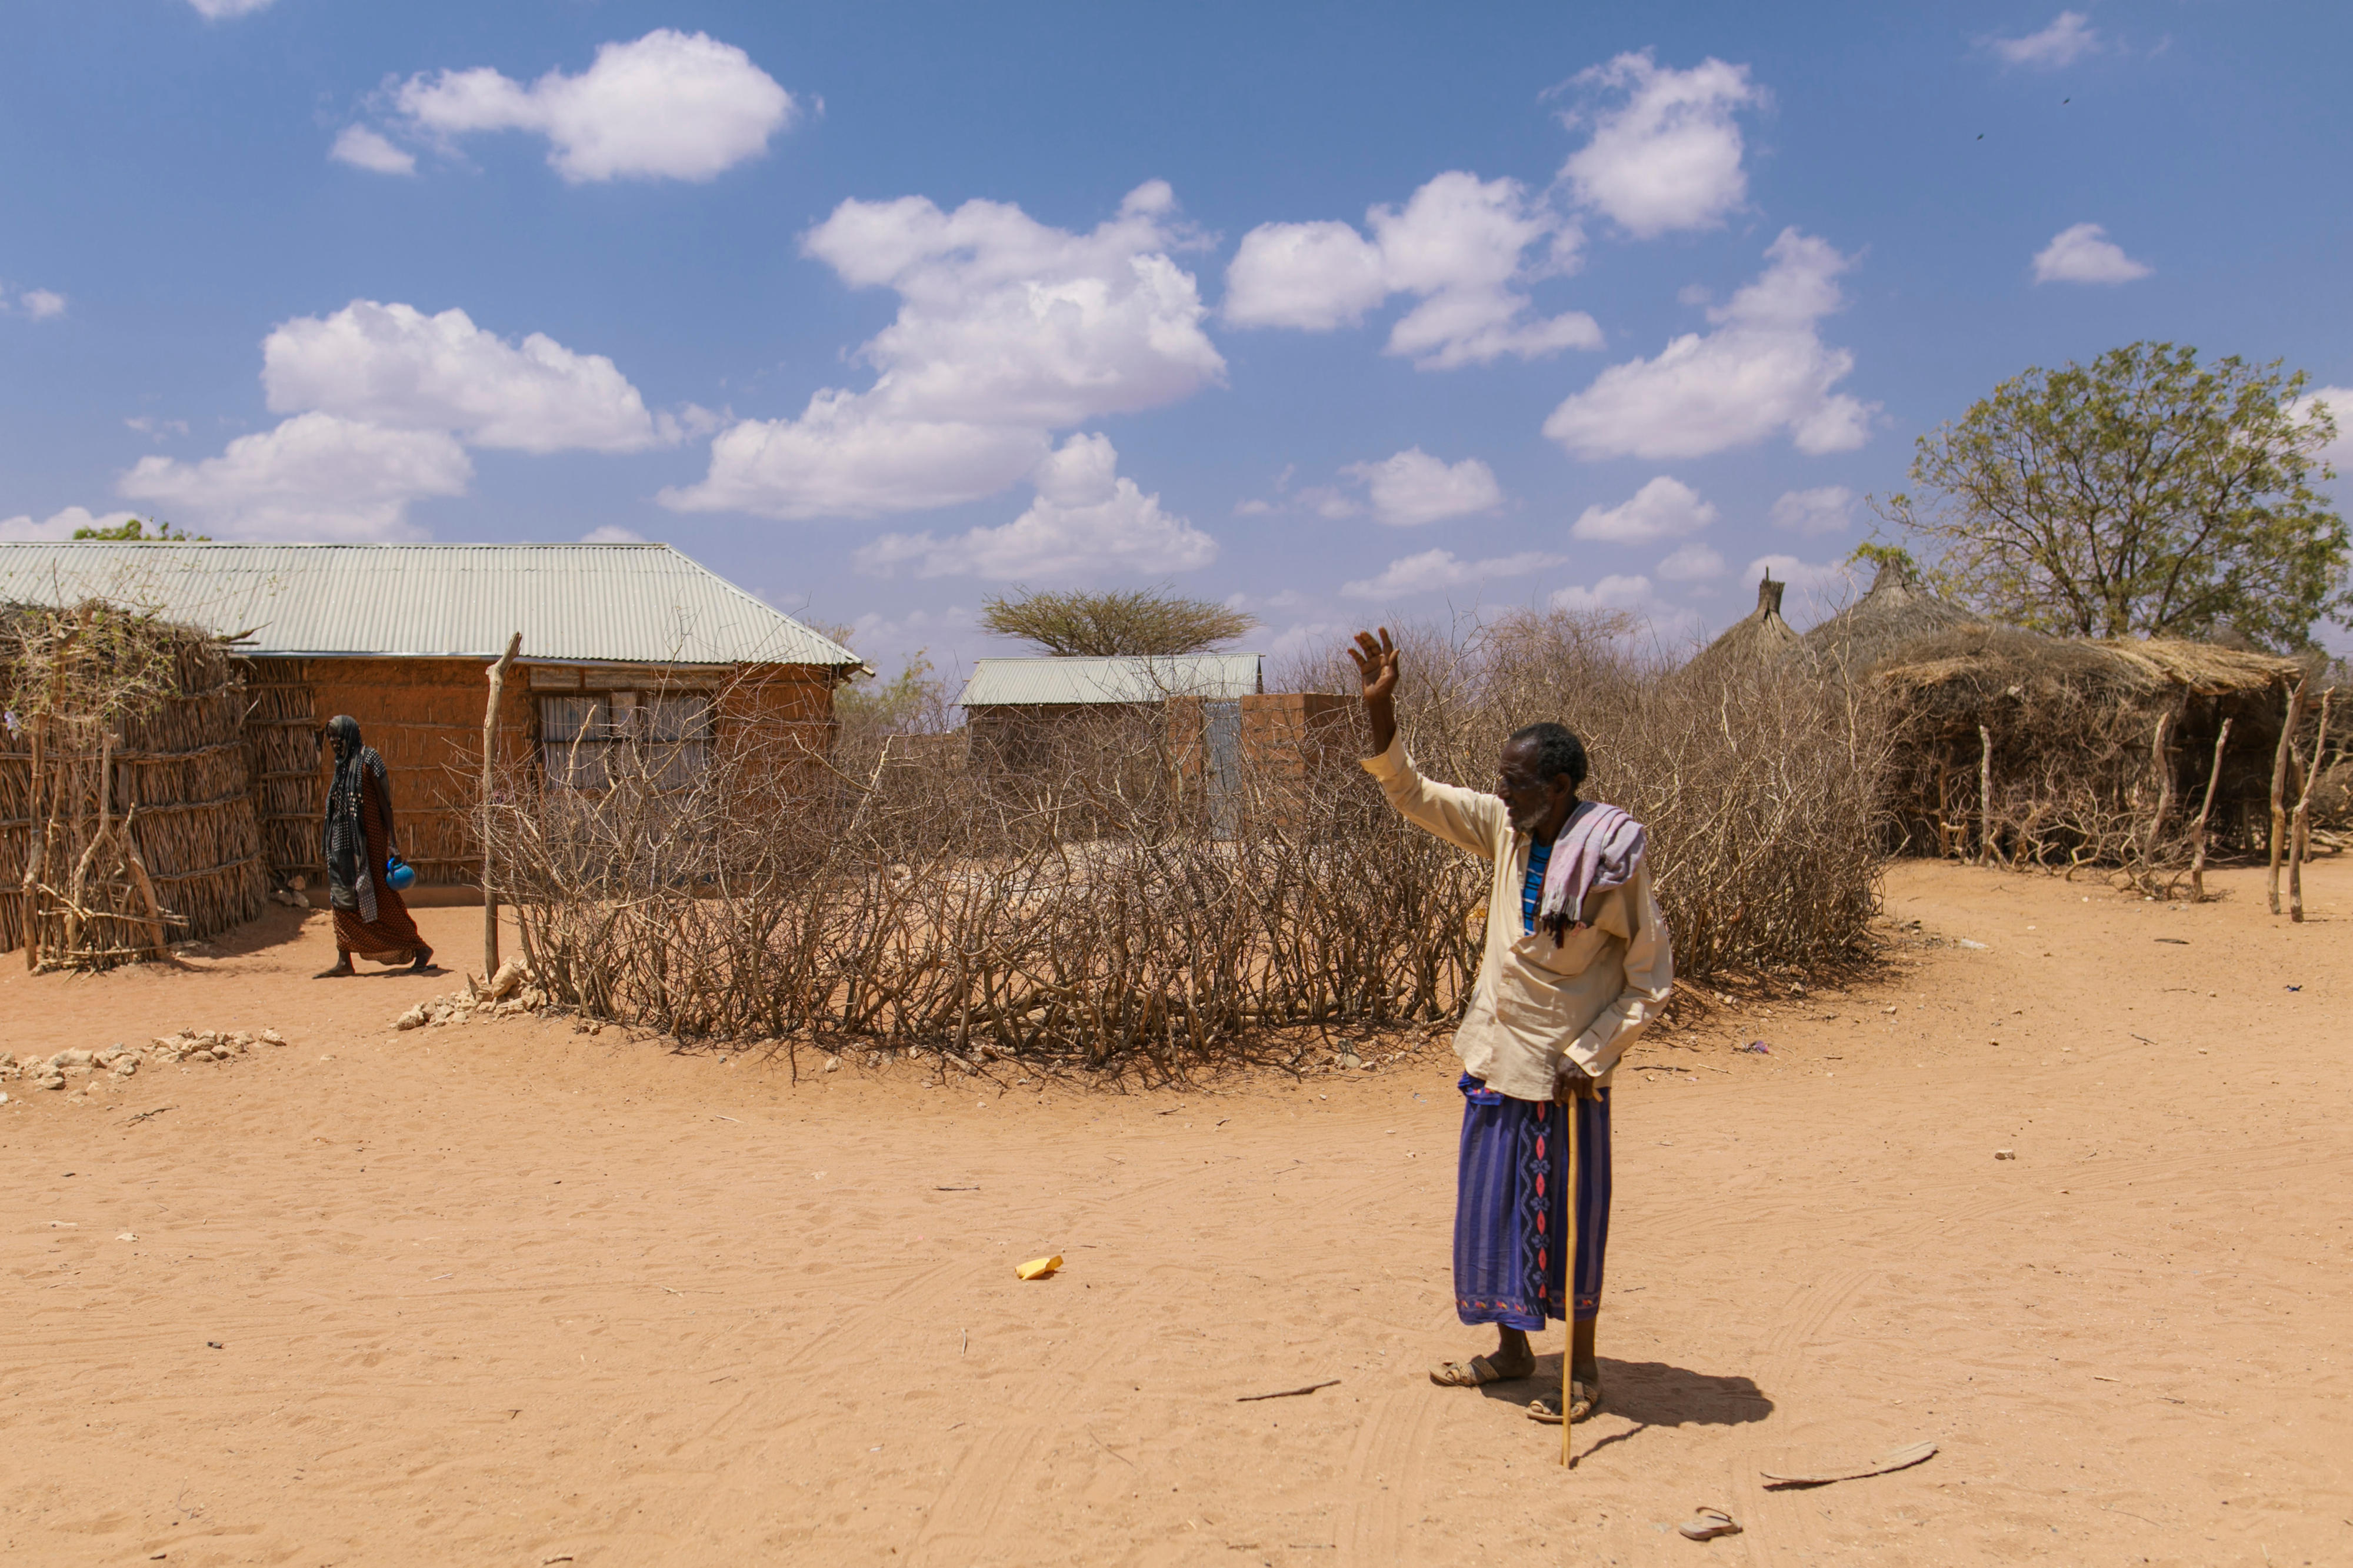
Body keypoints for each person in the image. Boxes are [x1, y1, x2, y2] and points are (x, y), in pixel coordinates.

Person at [1348, 627, 1671, 1425]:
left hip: (1566, 1079)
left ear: (1558, 785)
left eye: (1517, 781)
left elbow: (1651, 978)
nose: (1503, 791)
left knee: (1570, 1222)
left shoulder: (1612, 860)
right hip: (1497, 1064)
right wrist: (1381, 711)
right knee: (1493, 1213)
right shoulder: (1504, 829)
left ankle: (1585, 1374)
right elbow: (1415, 793)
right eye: (1501, 779)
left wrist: (1591, 1055)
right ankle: (1513, 1351)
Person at [314, 715, 434, 977]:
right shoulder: (342, 765)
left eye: (338, 735)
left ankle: (420, 948)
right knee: (341, 899)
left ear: (350, 734)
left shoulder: (370, 760)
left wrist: (392, 842)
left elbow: (385, 805)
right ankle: (344, 960)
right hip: (341, 847)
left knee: (380, 897)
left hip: (369, 844)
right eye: (330, 737)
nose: (334, 741)